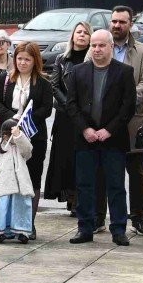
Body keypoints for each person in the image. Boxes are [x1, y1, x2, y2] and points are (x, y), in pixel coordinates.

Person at [62, 30, 136, 245]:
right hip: (85, 139)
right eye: (94, 45)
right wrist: (85, 129)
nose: (96, 49)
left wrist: (109, 130)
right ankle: (85, 228)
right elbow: (71, 105)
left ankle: (119, 229)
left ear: (111, 46)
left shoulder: (124, 72)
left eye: (101, 45)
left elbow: (128, 106)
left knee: (115, 185)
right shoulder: (78, 72)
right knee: (85, 185)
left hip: (113, 139)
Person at [108, 6, 143, 238]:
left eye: (122, 22)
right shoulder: (98, 48)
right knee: (107, 173)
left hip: (134, 122)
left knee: (137, 174)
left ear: (130, 24)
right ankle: (103, 218)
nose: (117, 25)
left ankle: (139, 217)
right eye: (114, 21)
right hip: (105, 123)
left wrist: (119, 102)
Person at [0, 41, 53, 211]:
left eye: (27, 59)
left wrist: (26, 120)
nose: (22, 63)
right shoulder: (4, 78)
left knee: (33, 177)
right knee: (9, 176)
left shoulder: (44, 82)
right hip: (9, 132)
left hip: (34, 134)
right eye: (19, 58)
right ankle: (8, 220)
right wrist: (13, 118)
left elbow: (46, 109)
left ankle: (29, 222)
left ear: (35, 61)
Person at [43, 22, 93, 219]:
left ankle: (82, 199)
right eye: (78, 32)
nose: (81, 35)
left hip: (87, 116)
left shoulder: (93, 59)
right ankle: (71, 200)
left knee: (83, 159)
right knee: (66, 159)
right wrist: (70, 106)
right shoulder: (62, 59)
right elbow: (54, 86)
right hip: (65, 116)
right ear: (72, 36)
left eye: (85, 33)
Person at [0, 118, 37, 243]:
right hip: (5, 182)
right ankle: (2, 231)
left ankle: (23, 231)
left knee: (22, 206)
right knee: (3, 206)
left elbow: (28, 152)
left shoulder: (21, 144)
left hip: (21, 184)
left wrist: (19, 137)